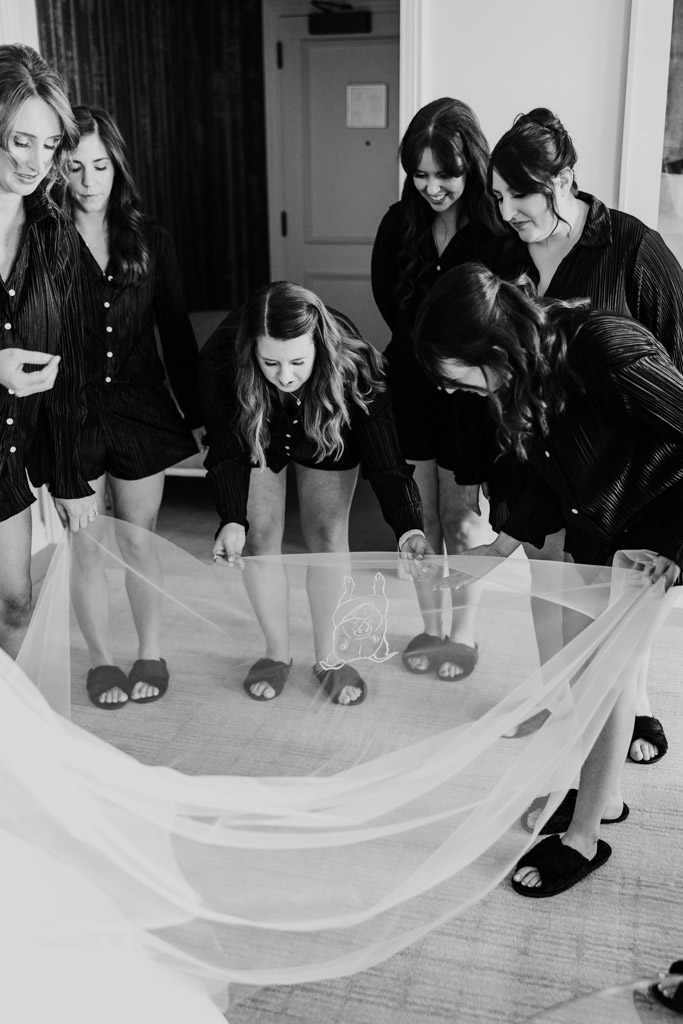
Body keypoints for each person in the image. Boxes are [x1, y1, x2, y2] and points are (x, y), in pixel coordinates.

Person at [413, 261, 683, 896]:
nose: (450, 391)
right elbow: (547, 474)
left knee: (611, 673)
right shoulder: (523, 375)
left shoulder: (604, 348)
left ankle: (585, 837)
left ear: (489, 347)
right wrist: (498, 548)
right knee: (593, 670)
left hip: (657, 525)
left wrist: (673, 547)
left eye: (453, 375)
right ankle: (604, 797)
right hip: (600, 525)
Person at [454, 107, 683, 760]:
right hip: (530, 452)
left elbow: (674, 360)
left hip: (616, 468)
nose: (508, 212)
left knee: (616, 603)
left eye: (520, 195)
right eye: (498, 197)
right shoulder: (499, 253)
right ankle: (553, 691)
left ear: (563, 179)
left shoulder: (632, 249)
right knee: (546, 576)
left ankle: (632, 701)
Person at [201, 281, 427, 705]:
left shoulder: (355, 366)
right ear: (252, 351)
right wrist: (231, 517)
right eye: (270, 362)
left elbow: (387, 462)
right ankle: (276, 654)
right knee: (258, 540)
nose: (285, 376)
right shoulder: (222, 363)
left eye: (298, 362)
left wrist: (408, 526)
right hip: (260, 426)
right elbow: (226, 450)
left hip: (327, 424)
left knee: (327, 535)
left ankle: (330, 659)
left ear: (318, 347)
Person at [64, 106, 204, 709]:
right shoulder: (41, 239)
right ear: (59, 170)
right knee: (86, 547)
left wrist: (198, 415)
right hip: (71, 412)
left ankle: (151, 650)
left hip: (141, 405)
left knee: (139, 541)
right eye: (75, 167)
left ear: (117, 166)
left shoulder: (151, 239)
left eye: (100, 165)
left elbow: (175, 331)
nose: (89, 180)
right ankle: (101, 659)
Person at [371, 97, 501, 682]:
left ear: (471, 164)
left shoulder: (497, 232)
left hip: (471, 396)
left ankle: (463, 633)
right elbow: (387, 302)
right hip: (410, 387)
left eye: (445, 174)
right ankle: (430, 626)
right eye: (419, 174)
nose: (431, 187)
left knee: (463, 518)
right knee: (419, 517)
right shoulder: (398, 224)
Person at [0, 43, 98, 661]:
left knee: (16, 605)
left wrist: (66, 474)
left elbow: (68, 359)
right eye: (20, 141)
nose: (38, 162)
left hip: (7, 456)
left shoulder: (54, 230)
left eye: (51, 143)